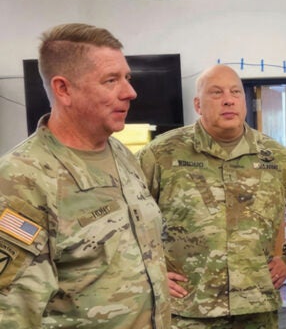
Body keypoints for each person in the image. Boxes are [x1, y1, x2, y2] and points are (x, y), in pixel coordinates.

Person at [0, 23, 171, 328]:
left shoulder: (121, 154)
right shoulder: (21, 180)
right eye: (110, 80)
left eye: (127, 78)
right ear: (63, 89)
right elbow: (13, 313)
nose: (130, 92)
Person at [137, 64, 286, 328]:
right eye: (216, 93)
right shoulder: (161, 154)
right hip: (186, 310)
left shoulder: (277, 157)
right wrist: (146, 270)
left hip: (255, 308)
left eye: (235, 92)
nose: (228, 99)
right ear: (198, 104)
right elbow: (123, 214)